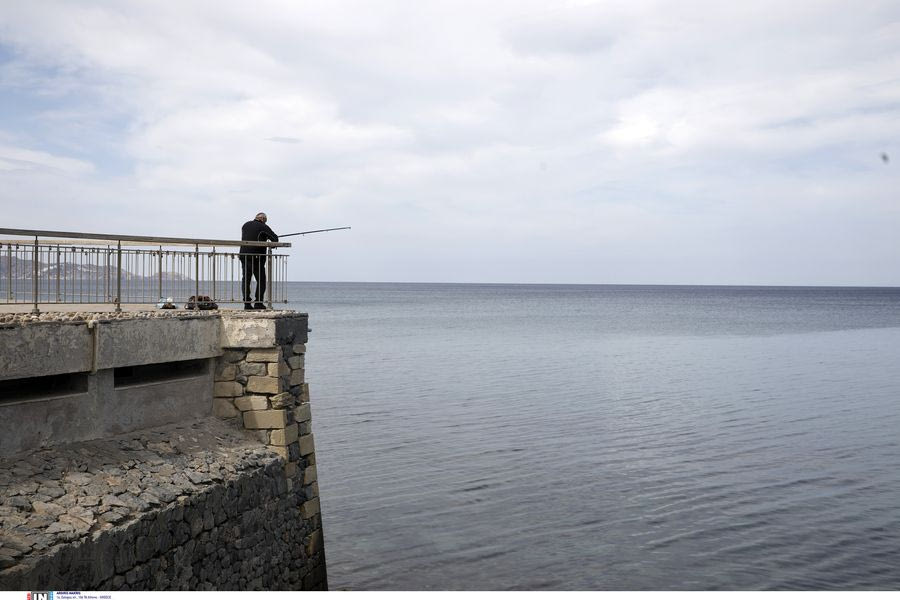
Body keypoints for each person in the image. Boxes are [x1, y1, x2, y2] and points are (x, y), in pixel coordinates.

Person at [240, 212, 279, 310]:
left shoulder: (245, 225)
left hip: (244, 255)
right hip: (257, 257)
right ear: (263, 219)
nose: (265, 223)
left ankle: (247, 303)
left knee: (246, 280)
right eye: (265, 221)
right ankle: (258, 303)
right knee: (261, 280)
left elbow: (251, 236)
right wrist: (270, 242)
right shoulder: (263, 227)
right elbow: (275, 239)